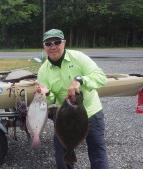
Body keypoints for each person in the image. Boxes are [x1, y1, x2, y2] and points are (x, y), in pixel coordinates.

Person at [36, 29, 109, 169]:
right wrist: (45, 94)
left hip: (90, 112)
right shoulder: (43, 71)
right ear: (44, 46)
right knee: (62, 154)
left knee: (97, 151)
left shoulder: (79, 58)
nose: (53, 46)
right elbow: (51, 100)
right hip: (63, 117)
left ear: (64, 43)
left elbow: (101, 78)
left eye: (57, 42)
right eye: (48, 43)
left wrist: (80, 80)